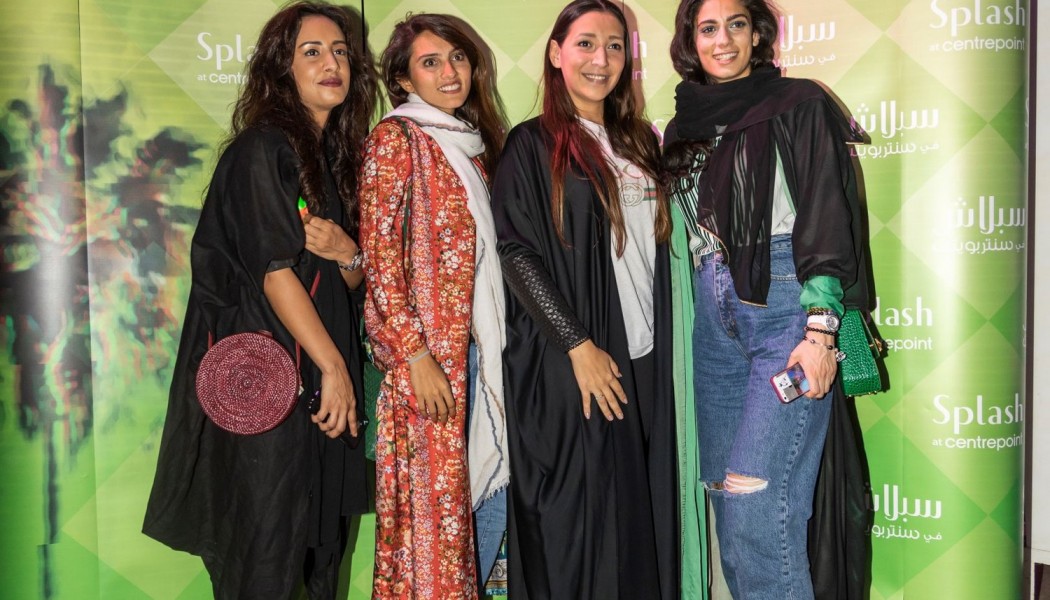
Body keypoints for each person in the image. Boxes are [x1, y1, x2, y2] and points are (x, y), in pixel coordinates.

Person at [141, 3, 379, 598]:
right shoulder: (261, 149)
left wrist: (349, 252)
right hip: (270, 392)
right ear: (281, 69)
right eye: (312, 52)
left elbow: (349, 287)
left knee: (321, 562)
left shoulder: (332, 159)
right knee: (264, 561)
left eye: (340, 51)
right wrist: (334, 368)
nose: (332, 63)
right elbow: (274, 274)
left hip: (320, 394)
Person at [662, 0, 872, 598]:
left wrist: (820, 332)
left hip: (784, 309)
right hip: (711, 321)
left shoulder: (798, 102)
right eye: (708, 28)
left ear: (757, 34)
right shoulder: (681, 128)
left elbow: (826, 214)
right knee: (728, 507)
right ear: (691, 41)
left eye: (736, 25)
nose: (722, 40)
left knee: (758, 509)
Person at [490, 1, 679, 598]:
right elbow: (516, 253)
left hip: (646, 354)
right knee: (582, 527)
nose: (602, 59)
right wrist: (578, 344)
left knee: (638, 520)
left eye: (615, 45)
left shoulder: (640, 142)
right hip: (575, 361)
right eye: (586, 43)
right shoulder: (532, 143)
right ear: (556, 53)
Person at [358, 13, 508, 598]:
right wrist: (415, 356)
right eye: (430, 62)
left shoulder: (476, 148)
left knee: (486, 500)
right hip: (429, 364)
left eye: (458, 58)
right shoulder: (396, 139)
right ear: (403, 80)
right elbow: (380, 259)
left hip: (482, 355)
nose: (449, 72)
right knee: (433, 523)